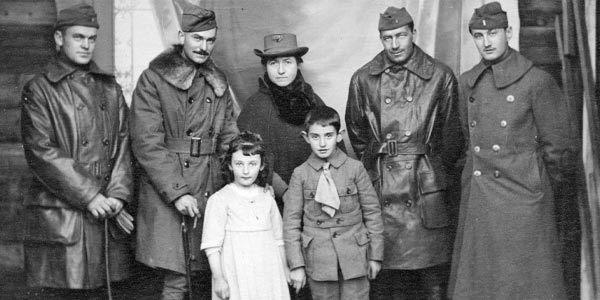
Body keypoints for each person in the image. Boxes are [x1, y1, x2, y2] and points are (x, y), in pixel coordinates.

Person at [449, 2, 576, 299]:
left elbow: (559, 150)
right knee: (482, 284)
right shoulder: (467, 82)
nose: (487, 42)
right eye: (479, 36)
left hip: (524, 202)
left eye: (493, 33)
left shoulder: (536, 81)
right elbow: (468, 142)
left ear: (509, 31)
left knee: (525, 285)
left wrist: (536, 189)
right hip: (480, 199)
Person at [345, 6, 463, 300]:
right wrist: (379, 168)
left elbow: (451, 140)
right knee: (385, 280)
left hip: (425, 189)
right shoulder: (363, 78)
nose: (395, 44)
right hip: (383, 187)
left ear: (413, 33)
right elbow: (358, 136)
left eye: (400, 35)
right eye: (387, 38)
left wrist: (429, 171)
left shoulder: (440, 76)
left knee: (431, 278)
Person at [20, 3, 134, 299]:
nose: (86, 45)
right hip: (65, 218)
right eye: (78, 37)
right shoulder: (40, 88)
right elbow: (41, 152)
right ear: (59, 38)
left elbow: (123, 143)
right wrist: (90, 195)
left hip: (106, 213)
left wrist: (118, 195)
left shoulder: (110, 88)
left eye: (91, 38)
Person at [129, 5, 238, 300]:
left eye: (210, 40)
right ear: (182, 36)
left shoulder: (218, 82)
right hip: (168, 189)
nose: (204, 47)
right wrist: (177, 193)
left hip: (210, 186)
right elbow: (146, 143)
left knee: (211, 272)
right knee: (177, 277)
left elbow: (229, 137)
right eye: (198, 39)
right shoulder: (153, 79)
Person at [283, 106, 384, 300]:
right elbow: (291, 224)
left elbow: (372, 213)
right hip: (319, 259)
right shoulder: (300, 174)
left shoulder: (355, 169)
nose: (322, 143)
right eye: (315, 137)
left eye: (329, 136)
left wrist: (375, 256)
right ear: (305, 137)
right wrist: (296, 265)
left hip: (355, 256)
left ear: (340, 135)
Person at [201, 131, 291, 300]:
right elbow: (212, 246)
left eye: (252, 164)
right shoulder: (220, 200)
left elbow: (279, 240)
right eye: (239, 163)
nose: (246, 170)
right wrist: (219, 278)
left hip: (267, 274)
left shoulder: (267, 198)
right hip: (235, 274)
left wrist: (284, 268)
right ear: (229, 165)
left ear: (262, 165)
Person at [237, 33, 325, 206]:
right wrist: (282, 190)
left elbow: (334, 153)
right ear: (265, 67)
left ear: (298, 64)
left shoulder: (314, 102)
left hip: (314, 199)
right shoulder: (254, 106)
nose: (281, 70)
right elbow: (244, 158)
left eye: (288, 62)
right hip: (268, 200)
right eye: (273, 63)